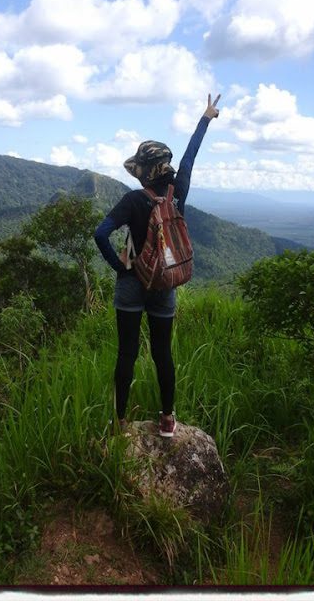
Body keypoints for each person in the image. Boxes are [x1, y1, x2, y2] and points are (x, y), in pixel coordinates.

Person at [95, 94, 220, 437]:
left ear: (142, 172)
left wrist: (120, 268)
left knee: (127, 353)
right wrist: (205, 118)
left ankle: (120, 424)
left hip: (133, 283)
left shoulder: (132, 200)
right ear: (165, 167)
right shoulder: (178, 192)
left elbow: (100, 233)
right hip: (165, 283)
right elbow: (190, 157)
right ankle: (167, 421)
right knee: (163, 354)